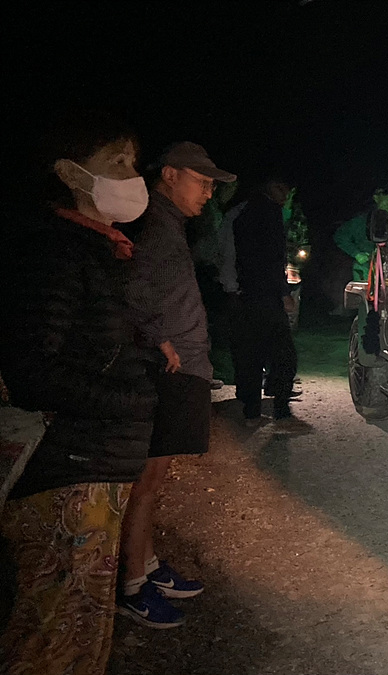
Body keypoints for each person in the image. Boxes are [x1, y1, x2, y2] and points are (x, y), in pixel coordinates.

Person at [0, 112, 157, 674]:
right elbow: (32, 371)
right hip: (68, 470)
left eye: (133, 161)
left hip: (92, 462)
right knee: (52, 636)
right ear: (70, 173)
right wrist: (136, 401)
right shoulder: (57, 251)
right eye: (116, 160)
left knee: (82, 626)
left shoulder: (96, 249)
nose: (131, 174)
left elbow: (89, 346)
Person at [117, 142, 236, 629]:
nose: (208, 192)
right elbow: (128, 285)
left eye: (211, 185)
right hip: (167, 366)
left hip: (182, 363)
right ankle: (132, 585)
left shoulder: (168, 224)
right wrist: (157, 337)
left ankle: (146, 565)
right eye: (201, 181)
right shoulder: (151, 222)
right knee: (146, 481)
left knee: (155, 478)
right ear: (169, 175)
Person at [230, 179, 299, 421]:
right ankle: (280, 404)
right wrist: (283, 292)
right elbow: (271, 258)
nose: (286, 195)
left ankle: (252, 406)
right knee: (283, 354)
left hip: (248, 291)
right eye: (282, 188)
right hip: (265, 293)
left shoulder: (244, 211)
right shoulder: (268, 213)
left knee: (253, 351)